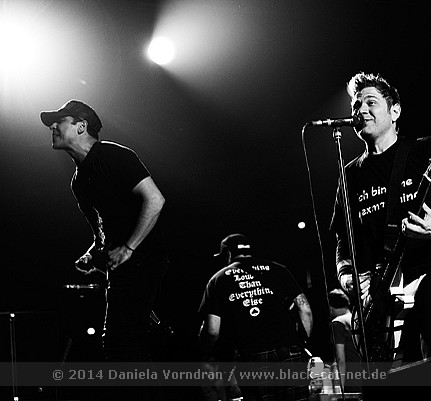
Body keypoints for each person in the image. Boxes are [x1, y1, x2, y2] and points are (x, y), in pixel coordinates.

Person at [329, 72, 431, 364]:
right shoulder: (350, 176)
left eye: (370, 102)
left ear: (395, 111)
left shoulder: (426, 151)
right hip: (387, 289)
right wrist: (347, 275)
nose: (361, 110)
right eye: (356, 105)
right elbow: (343, 239)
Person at [40, 99, 169, 399]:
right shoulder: (78, 181)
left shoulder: (113, 155)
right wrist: (93, 252)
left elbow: (155, 200)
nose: (53, 126)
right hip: (123, 266)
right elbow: (101, 229)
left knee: (120, 342)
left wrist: (129, 248)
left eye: (60, 121)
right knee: (125, 343)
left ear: (81, 126)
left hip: (143, 259)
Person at [198, 233, 313, 401]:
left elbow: (212, 330)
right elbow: (305, 308)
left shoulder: (218, 280)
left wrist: (204, 352)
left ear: (228, 254)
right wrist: (302, 343)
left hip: (251, 357)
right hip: (290, 351)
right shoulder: (278, 269)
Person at [327, 288, 362, 393]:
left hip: (350, 379)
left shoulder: (337, 323)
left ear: (331, 307)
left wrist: (339, 389)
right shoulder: (358, 319)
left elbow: (340, 359)